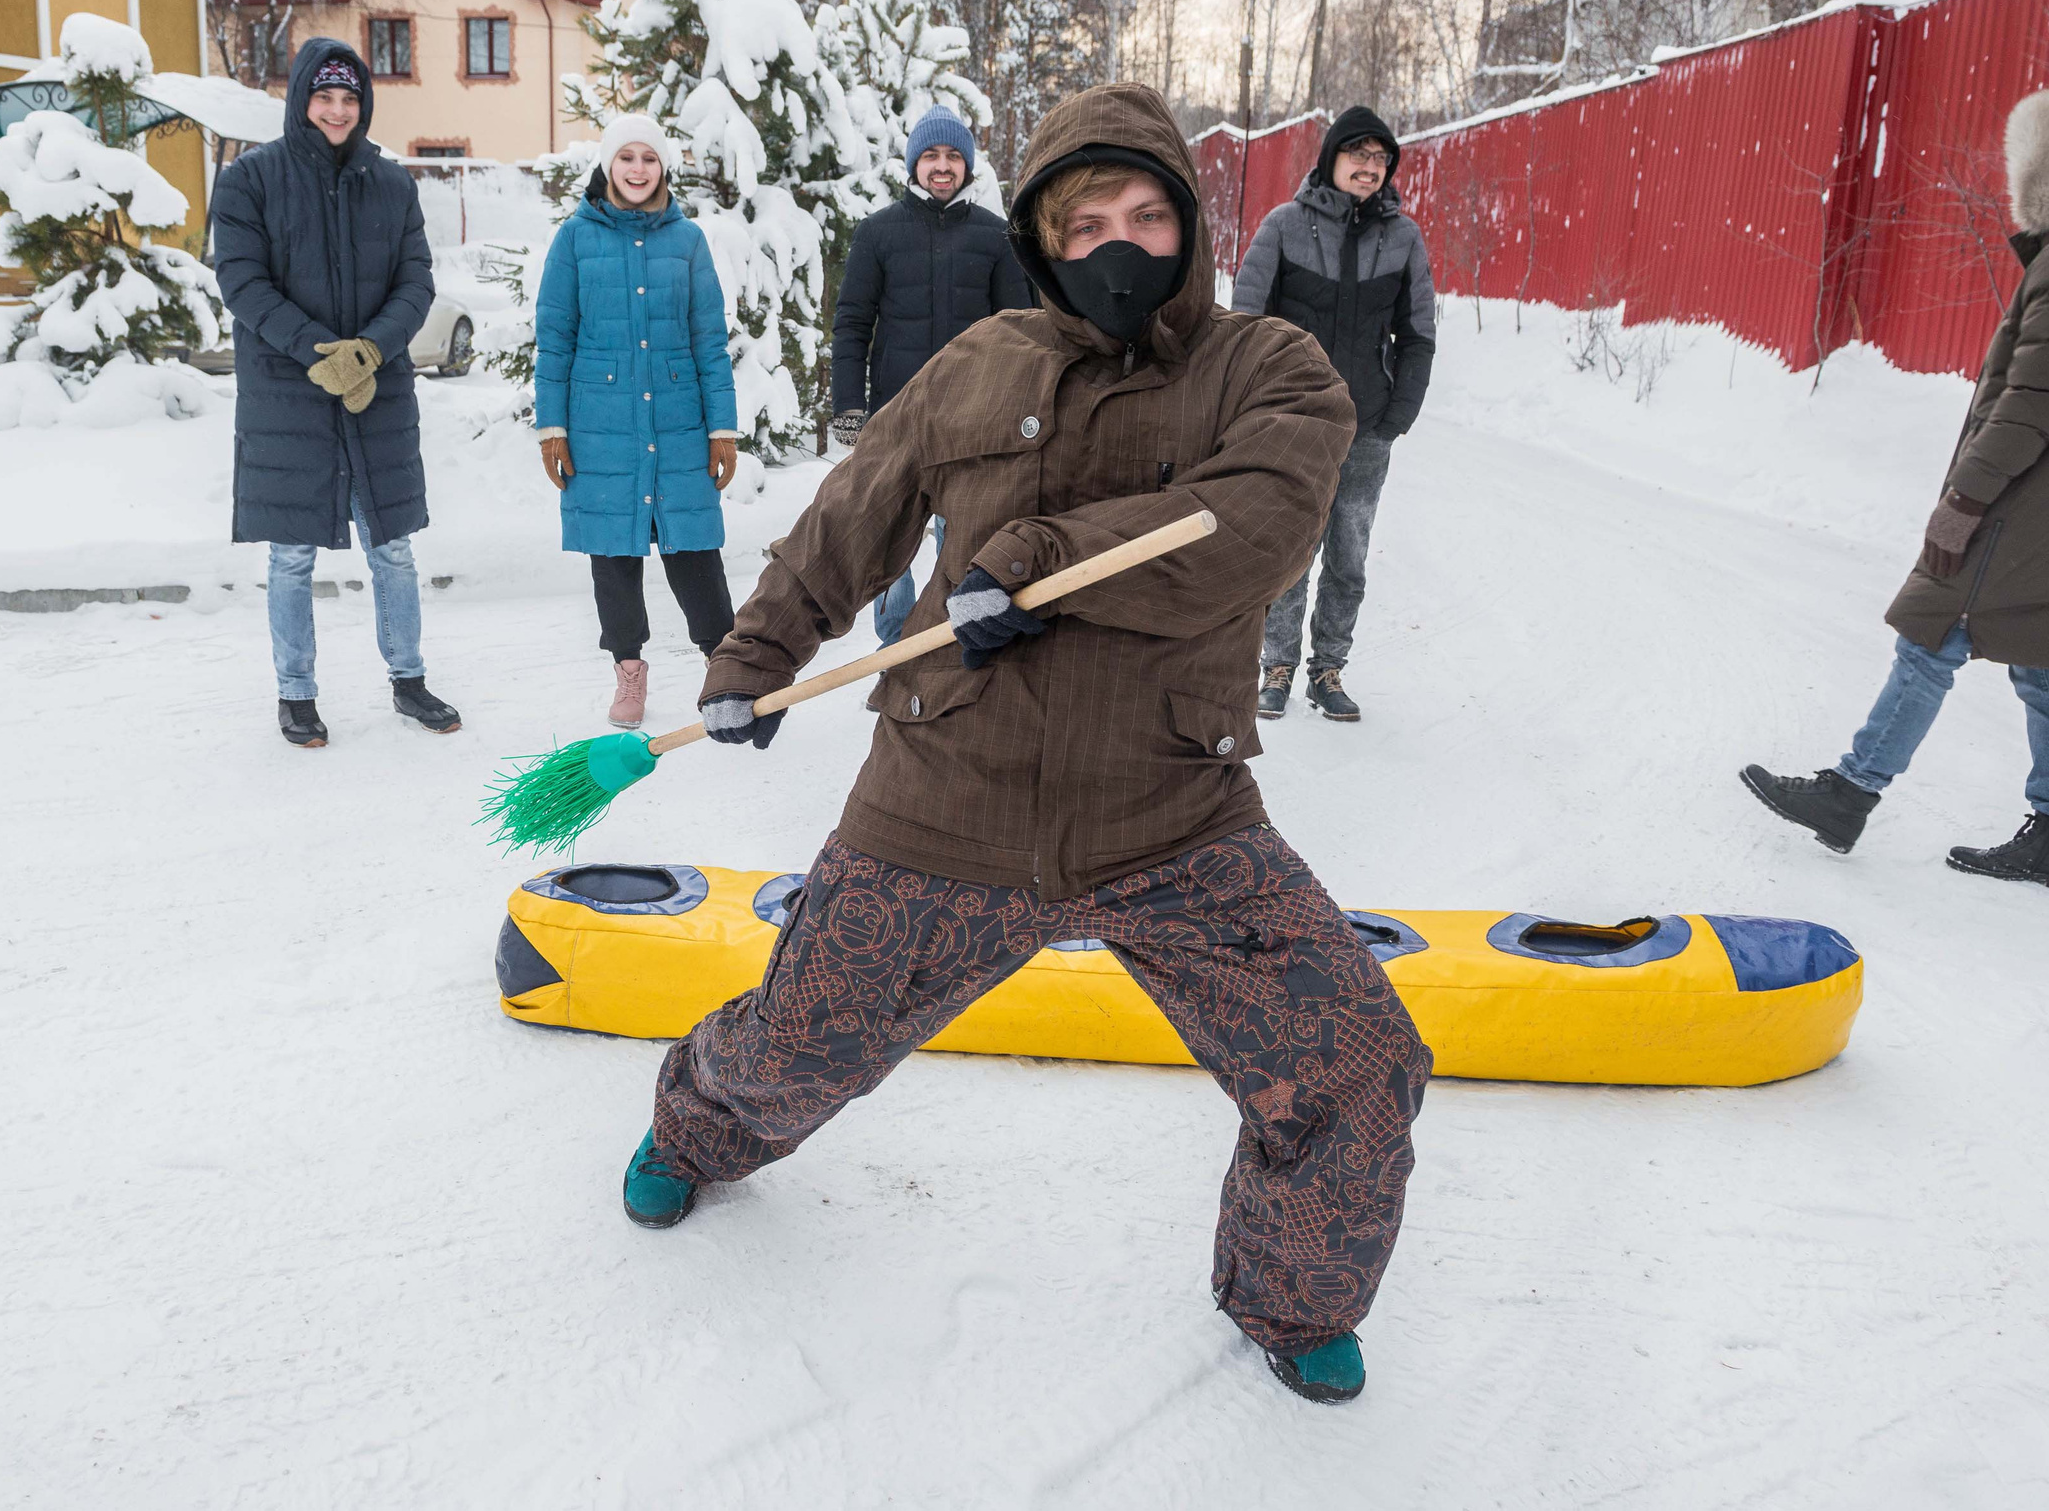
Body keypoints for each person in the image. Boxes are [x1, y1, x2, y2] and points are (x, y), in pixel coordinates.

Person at [615, 82, 1433, 1407]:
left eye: (1147, 216)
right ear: (1044, 237)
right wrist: (760, 654)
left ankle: (1293, 1293)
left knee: (1356, 1064)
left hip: (1174, 810)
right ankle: (692, 1128)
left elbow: (1253, 524)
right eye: (1086, 218)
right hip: (949, 796)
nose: (1118, 244)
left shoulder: (1266, 369)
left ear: (1189, 229)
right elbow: (856, 510)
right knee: (793, 1045)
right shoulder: (981, 360)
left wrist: (1043, 558)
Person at [1742, 90, 2049, 892]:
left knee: (1934, 629)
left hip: (2036, 505)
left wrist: (1967, 498)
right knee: (2048, 662)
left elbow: (2035, 401)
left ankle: (1851, 792)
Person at [212, 37, 461, 747]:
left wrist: (370, 351)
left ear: (364, 104)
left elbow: (416, 280)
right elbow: (242, 282)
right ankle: (296, 694)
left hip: (375, 395)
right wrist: (321, 353)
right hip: (288, 396)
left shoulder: (391, 183)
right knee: (292, 555)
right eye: (324, 96)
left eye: (349, 98)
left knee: (393, 547)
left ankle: (408, 681)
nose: (337, 109)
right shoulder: (251, 180)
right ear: (301, 99)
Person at [534, 115, 742, 730]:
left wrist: (721, 428)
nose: (636, 170)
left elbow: (709, 340)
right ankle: (628, 668)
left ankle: (725, 665)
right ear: (607, 165)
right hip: (600, 422)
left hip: (678, 419)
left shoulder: (688, 242)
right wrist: (553, 428)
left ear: (663, 168)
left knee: (695, 549)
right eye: (625, 158)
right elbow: (555, 338)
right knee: (615, 553)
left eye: (648, 159)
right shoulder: (574, 240)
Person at [1232, 106, 1435, 724]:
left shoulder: (1402, 238)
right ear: (1331, 159)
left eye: (1381, 160)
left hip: (1367, 426)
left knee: (1348, 552)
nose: (1370, 169)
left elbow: (1419, 332)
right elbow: (1245, 322)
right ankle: (1277, 665)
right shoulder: (1284, 226)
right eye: (1359, 156)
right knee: (1293, 545)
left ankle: (1328, 669)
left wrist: (1396, 415)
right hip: (1294, 424)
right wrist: (1255, 407)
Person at [830, 104, 1033, 647]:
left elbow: (1023, 332)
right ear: (913, 164)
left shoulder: (996, 237)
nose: (941, 166)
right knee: (889, 534)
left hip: (975, 416)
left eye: (952, 156)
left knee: (961, 535)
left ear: (967, 166)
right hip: (896, 415)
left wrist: (1017, 403)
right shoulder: (877, 234)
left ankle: (949, 639)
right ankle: (895, 645)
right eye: (930, 156)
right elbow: (852, 322)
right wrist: (849, 404)